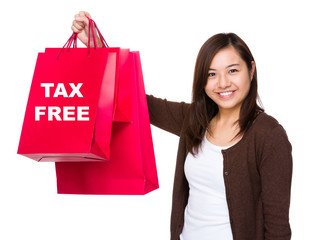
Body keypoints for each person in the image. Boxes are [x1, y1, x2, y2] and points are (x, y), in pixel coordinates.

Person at [72, 11, 293, 240]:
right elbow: (138, 102)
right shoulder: (194, 119)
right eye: (211, 74)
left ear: (252, 69)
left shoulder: (269, 136)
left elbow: (278, 228)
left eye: (233, 70)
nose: (223, 83)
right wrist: (97, 47)